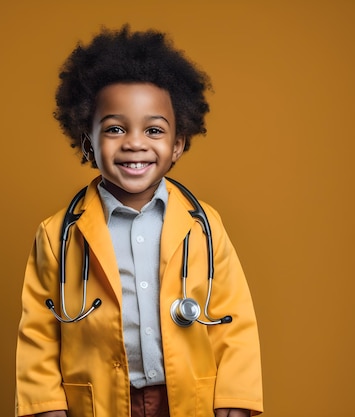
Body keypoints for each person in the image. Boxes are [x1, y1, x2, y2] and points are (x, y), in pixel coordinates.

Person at [16, 25, 263, 417]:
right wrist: (46, 405)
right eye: (115, 129)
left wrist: (236, 396)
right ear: (87, 141)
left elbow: (235, 320)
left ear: (177, 144)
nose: (135, 143)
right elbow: (39, 334)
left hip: (185, 399)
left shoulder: (204, 225)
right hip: (99, 402)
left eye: (153, 130)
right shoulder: (57, 235)